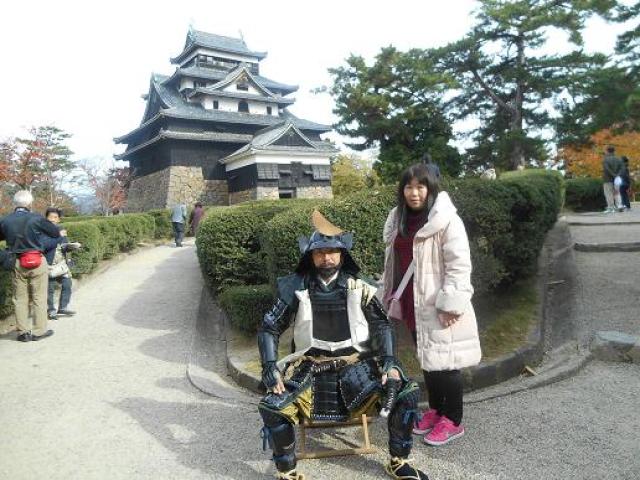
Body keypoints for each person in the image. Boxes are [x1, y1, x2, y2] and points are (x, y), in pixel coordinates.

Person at [258, 210, 428, 480]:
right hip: (310, 367)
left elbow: (382, 325)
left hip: (356, 365)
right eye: (320, 252)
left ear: (342, 254)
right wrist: (269, 366)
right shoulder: (297, 286)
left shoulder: (358, 285)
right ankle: (287, 472)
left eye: (332, 251)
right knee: (272, 406)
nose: (326, 257)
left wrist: (389, 361)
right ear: (310, 255)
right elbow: (270, 327)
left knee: (406, 392)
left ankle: (398, 461)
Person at [381, 163, 481, 446]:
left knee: (446, 364)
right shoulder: (398, 219)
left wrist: (451, 304)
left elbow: (459, 265)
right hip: (413, 302)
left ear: (431, 189)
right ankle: (436, 410)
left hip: (439, 303)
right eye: (409, 187)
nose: (414, 193)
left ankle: (454, 420)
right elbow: (394, 262)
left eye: (420, 187)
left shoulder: (446, 220)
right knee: (428, 358)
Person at [0, 190, 60, 342]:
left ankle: (23, 332)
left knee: (19, 298)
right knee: (39, 296)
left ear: (15, 203)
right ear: (29, 203)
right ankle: (39, 331)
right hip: (37, 259)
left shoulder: (5, 220)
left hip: (17, 261)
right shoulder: (36, 218)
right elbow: (55, 233)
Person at [42, 208, 81, 320]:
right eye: (50, 217)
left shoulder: (61, 230)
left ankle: (63, 307)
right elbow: (45, 246)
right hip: (49, 264)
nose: (53, 220)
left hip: (61, 264)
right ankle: (51, 310)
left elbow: (64, 245)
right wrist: (59, 236)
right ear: (46, 218)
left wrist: (71, 246)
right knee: (49, 288)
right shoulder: (42, 231)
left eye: (55, 217)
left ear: (59, 219)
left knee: (67, 283)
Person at [602, 146, 624, 213]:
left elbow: (607, 169)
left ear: (607, 151)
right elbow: (622, 168)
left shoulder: (605, 159)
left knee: (608, 193)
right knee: (617, 192)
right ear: (614, 151)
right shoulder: (619, 159)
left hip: (607, 179)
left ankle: (611, 207)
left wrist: (613, 174)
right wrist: (617, 175)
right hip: (617, 179)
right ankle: (619, 205)